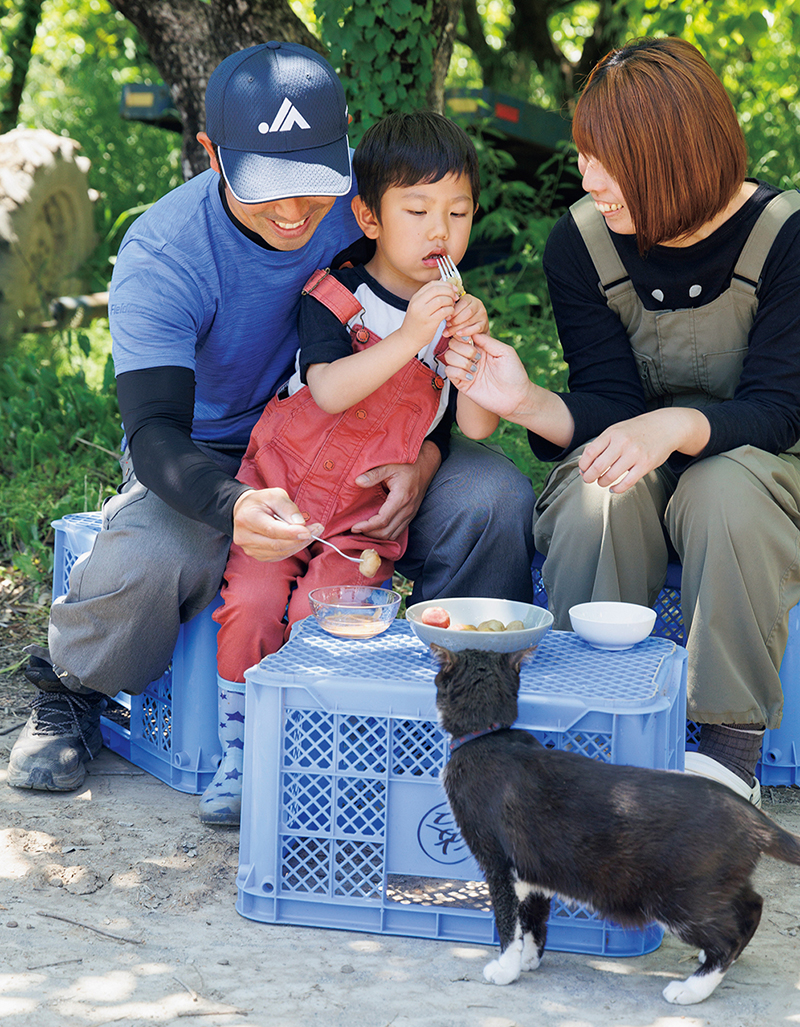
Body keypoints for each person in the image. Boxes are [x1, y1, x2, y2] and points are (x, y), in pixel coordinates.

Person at [7, 43, 536, 819]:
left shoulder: (381, 195)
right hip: (212, 451)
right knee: (157, 548)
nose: (293, 212)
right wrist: (233, 507)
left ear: (342, 147)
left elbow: (433, 373)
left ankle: (459, 715)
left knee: (492, 493)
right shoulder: (164, 252)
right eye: (266, 188)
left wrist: (423, 461)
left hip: (365, 440)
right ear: (211, 152)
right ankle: (75, 687)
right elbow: (154, 433)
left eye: (311, 185)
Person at [443, 37, 800, 809]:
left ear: (677, 156)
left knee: (721, 491)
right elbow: (607, 398)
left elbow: (779, 408)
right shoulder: (580, 241)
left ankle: (729, 757)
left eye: (611, 160)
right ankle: (588, 734)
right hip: (647, 449)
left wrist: (671, 427)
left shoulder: (785, 236)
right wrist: (525, 400)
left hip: (766, 470)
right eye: (585, 154)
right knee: (596, 491)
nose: (589, 178)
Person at [212, 110, 498, 684]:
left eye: (458, 213)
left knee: (330, 626)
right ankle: (243, 739)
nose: (439, 231)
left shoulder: (455, 319)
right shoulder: (337, 293)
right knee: (253, 606)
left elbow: (475, 426)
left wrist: (476, 352)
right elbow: (329, 388)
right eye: (417, 212)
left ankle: (313, 748)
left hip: (362, 525)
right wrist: (413, 336)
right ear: (369, 217)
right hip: (279, 496)